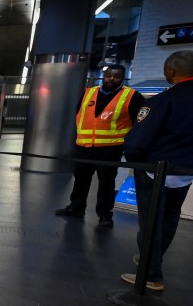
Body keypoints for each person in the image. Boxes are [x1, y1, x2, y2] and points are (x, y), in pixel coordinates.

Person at [120, 50, 193, 291]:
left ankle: (151, 275)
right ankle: (151, 259)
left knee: (150, 221)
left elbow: (137, 141)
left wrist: (135, 160)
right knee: (170, 217)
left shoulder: (164, 100)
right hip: (185, 172)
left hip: (155, 170)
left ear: (171, 70)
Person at [55, 65, 145, 227]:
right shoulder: (89, 92)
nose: (111, 79)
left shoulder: (132, 96)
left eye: (116, 76)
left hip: (110, 148)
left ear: (123, 77)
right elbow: (79, 114)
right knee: (80, 179)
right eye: (108, 75)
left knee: (106, 182)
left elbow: (138, 123)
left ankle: (104, 214)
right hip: (84, 146)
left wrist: (130, 146)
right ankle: (76, 208)